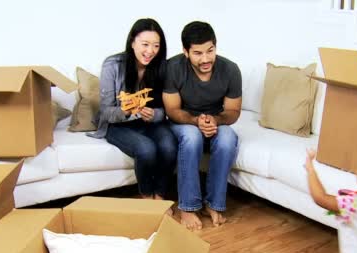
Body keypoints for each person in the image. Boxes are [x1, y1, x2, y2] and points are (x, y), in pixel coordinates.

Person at [88, 18, 177, 206]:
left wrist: (155, 115)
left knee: (169, 146)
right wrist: (126, 111)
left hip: (149, 123)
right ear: (132, 42)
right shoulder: (112, 65)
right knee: (146, 149)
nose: (150, 51)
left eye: (156, 46)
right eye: (145, 44)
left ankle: (160, 197)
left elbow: (165, 110)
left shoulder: (162, 67)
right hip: (118, 125)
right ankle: (146, 198)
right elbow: (105, 112)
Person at [163, 21, 242, 229]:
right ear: (185, 52)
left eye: (210, 51)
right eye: (198, 53)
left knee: (228, 138)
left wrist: (216, 120)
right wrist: (195, 121)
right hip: (183, 122)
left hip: (214, 120)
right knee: (191, 135)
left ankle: (214, 204)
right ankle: (187, 207)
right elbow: (172, 110)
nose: (206, 59)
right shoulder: (173, 68)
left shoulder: (230, 69)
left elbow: (233, 111)